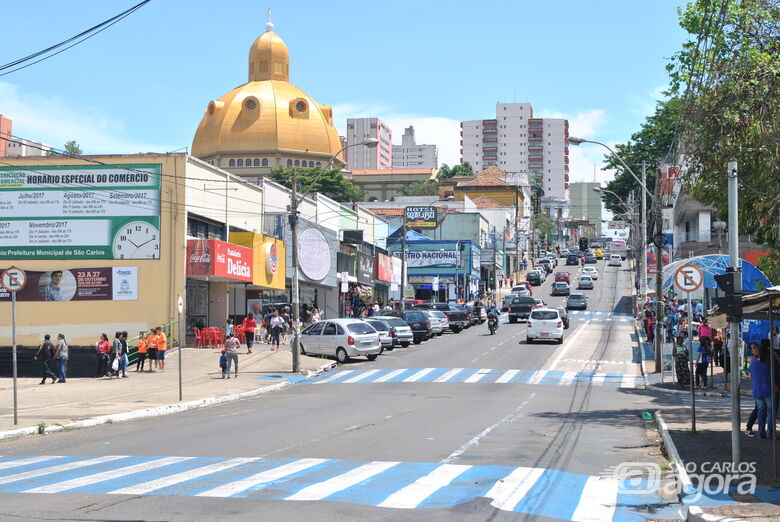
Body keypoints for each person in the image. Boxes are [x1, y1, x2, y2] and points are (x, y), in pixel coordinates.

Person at [749, 343, 774, 438]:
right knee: (771, 413)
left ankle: (761, 433)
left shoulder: (753, 364)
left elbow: (751, 377)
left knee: (761, 413)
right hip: (768, 391)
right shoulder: (769, 364)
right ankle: (770, 433)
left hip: (757, 391)